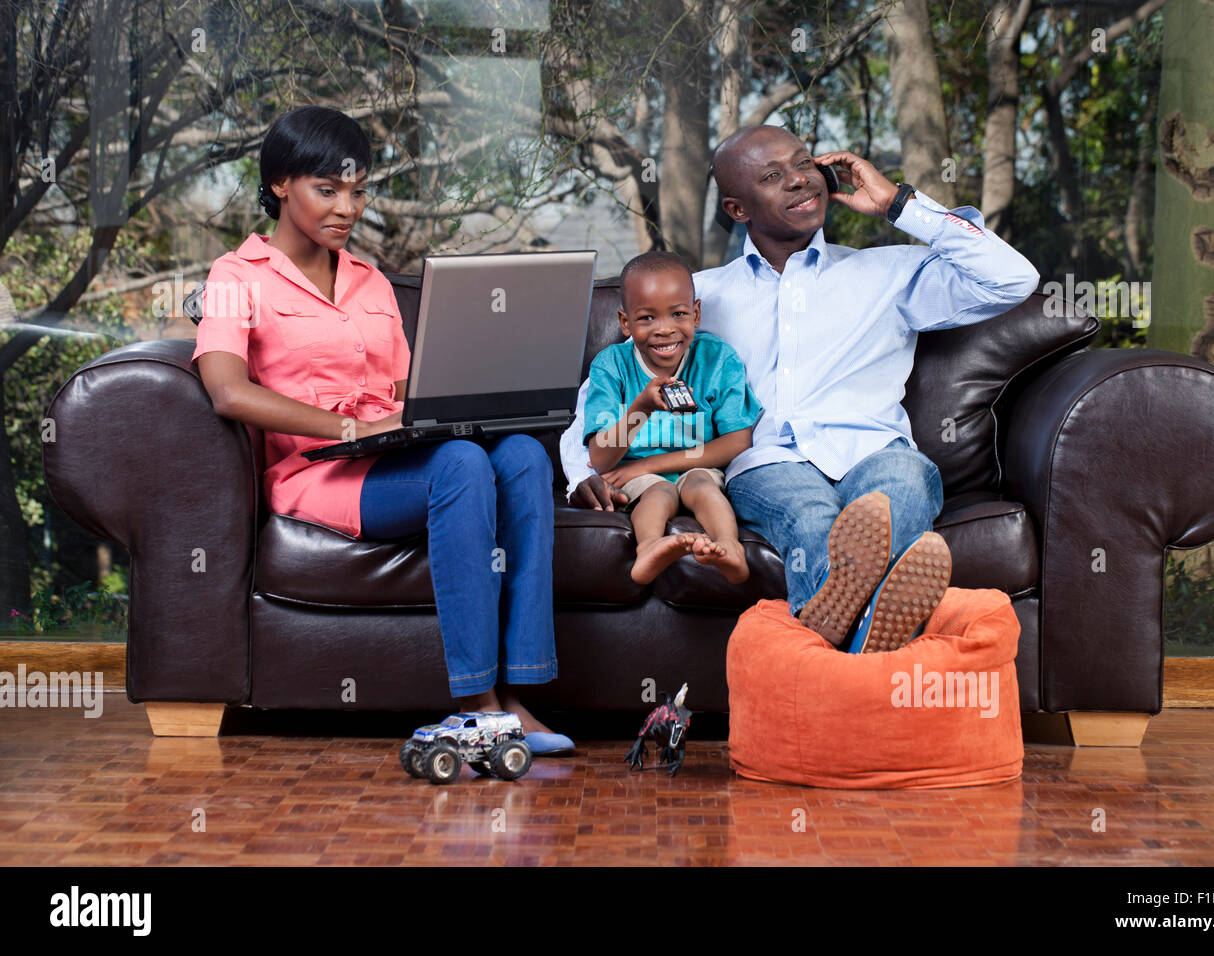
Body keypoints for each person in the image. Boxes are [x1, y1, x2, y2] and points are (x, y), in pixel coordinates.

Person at [562, 125, 1040, 653]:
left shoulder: (887, 274)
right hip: (767, 464)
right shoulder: (700, 299)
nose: (798, 179)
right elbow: (605, 387)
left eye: (803, 162)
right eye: (772, 176)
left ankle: (840, 655)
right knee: (812, 519)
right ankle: (871, 654)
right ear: (738, 209)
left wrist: (896, 203)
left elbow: (1012, 279)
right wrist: (586, 475)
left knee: (900, 490)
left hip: (875, 450)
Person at [192, 105, 572, 754]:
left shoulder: (370, 281)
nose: (348, 207)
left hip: (392, 454)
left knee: (520, 455)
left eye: (359, 190)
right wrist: (348, 426)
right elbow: (227, 390)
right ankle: (475, 702)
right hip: (317, 474)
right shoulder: (236, 277)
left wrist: (456, 407)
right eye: (329, 189)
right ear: (282, 183)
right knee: (461, 467)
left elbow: (403, 392)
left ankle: (519, 694)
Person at [584, 251, 762, 585]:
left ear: (695, 313)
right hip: (636, 475)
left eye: (678, 314)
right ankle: (650, 547)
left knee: (703, 487)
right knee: (657, 495)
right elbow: (600, 457)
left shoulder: (716, 358)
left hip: (696, 465)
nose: (665, 330)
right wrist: (641, 408)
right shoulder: (611, 366)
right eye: (647, 318)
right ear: (625, 322)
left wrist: (651, 465)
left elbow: (739, 440)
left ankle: (730, 548)